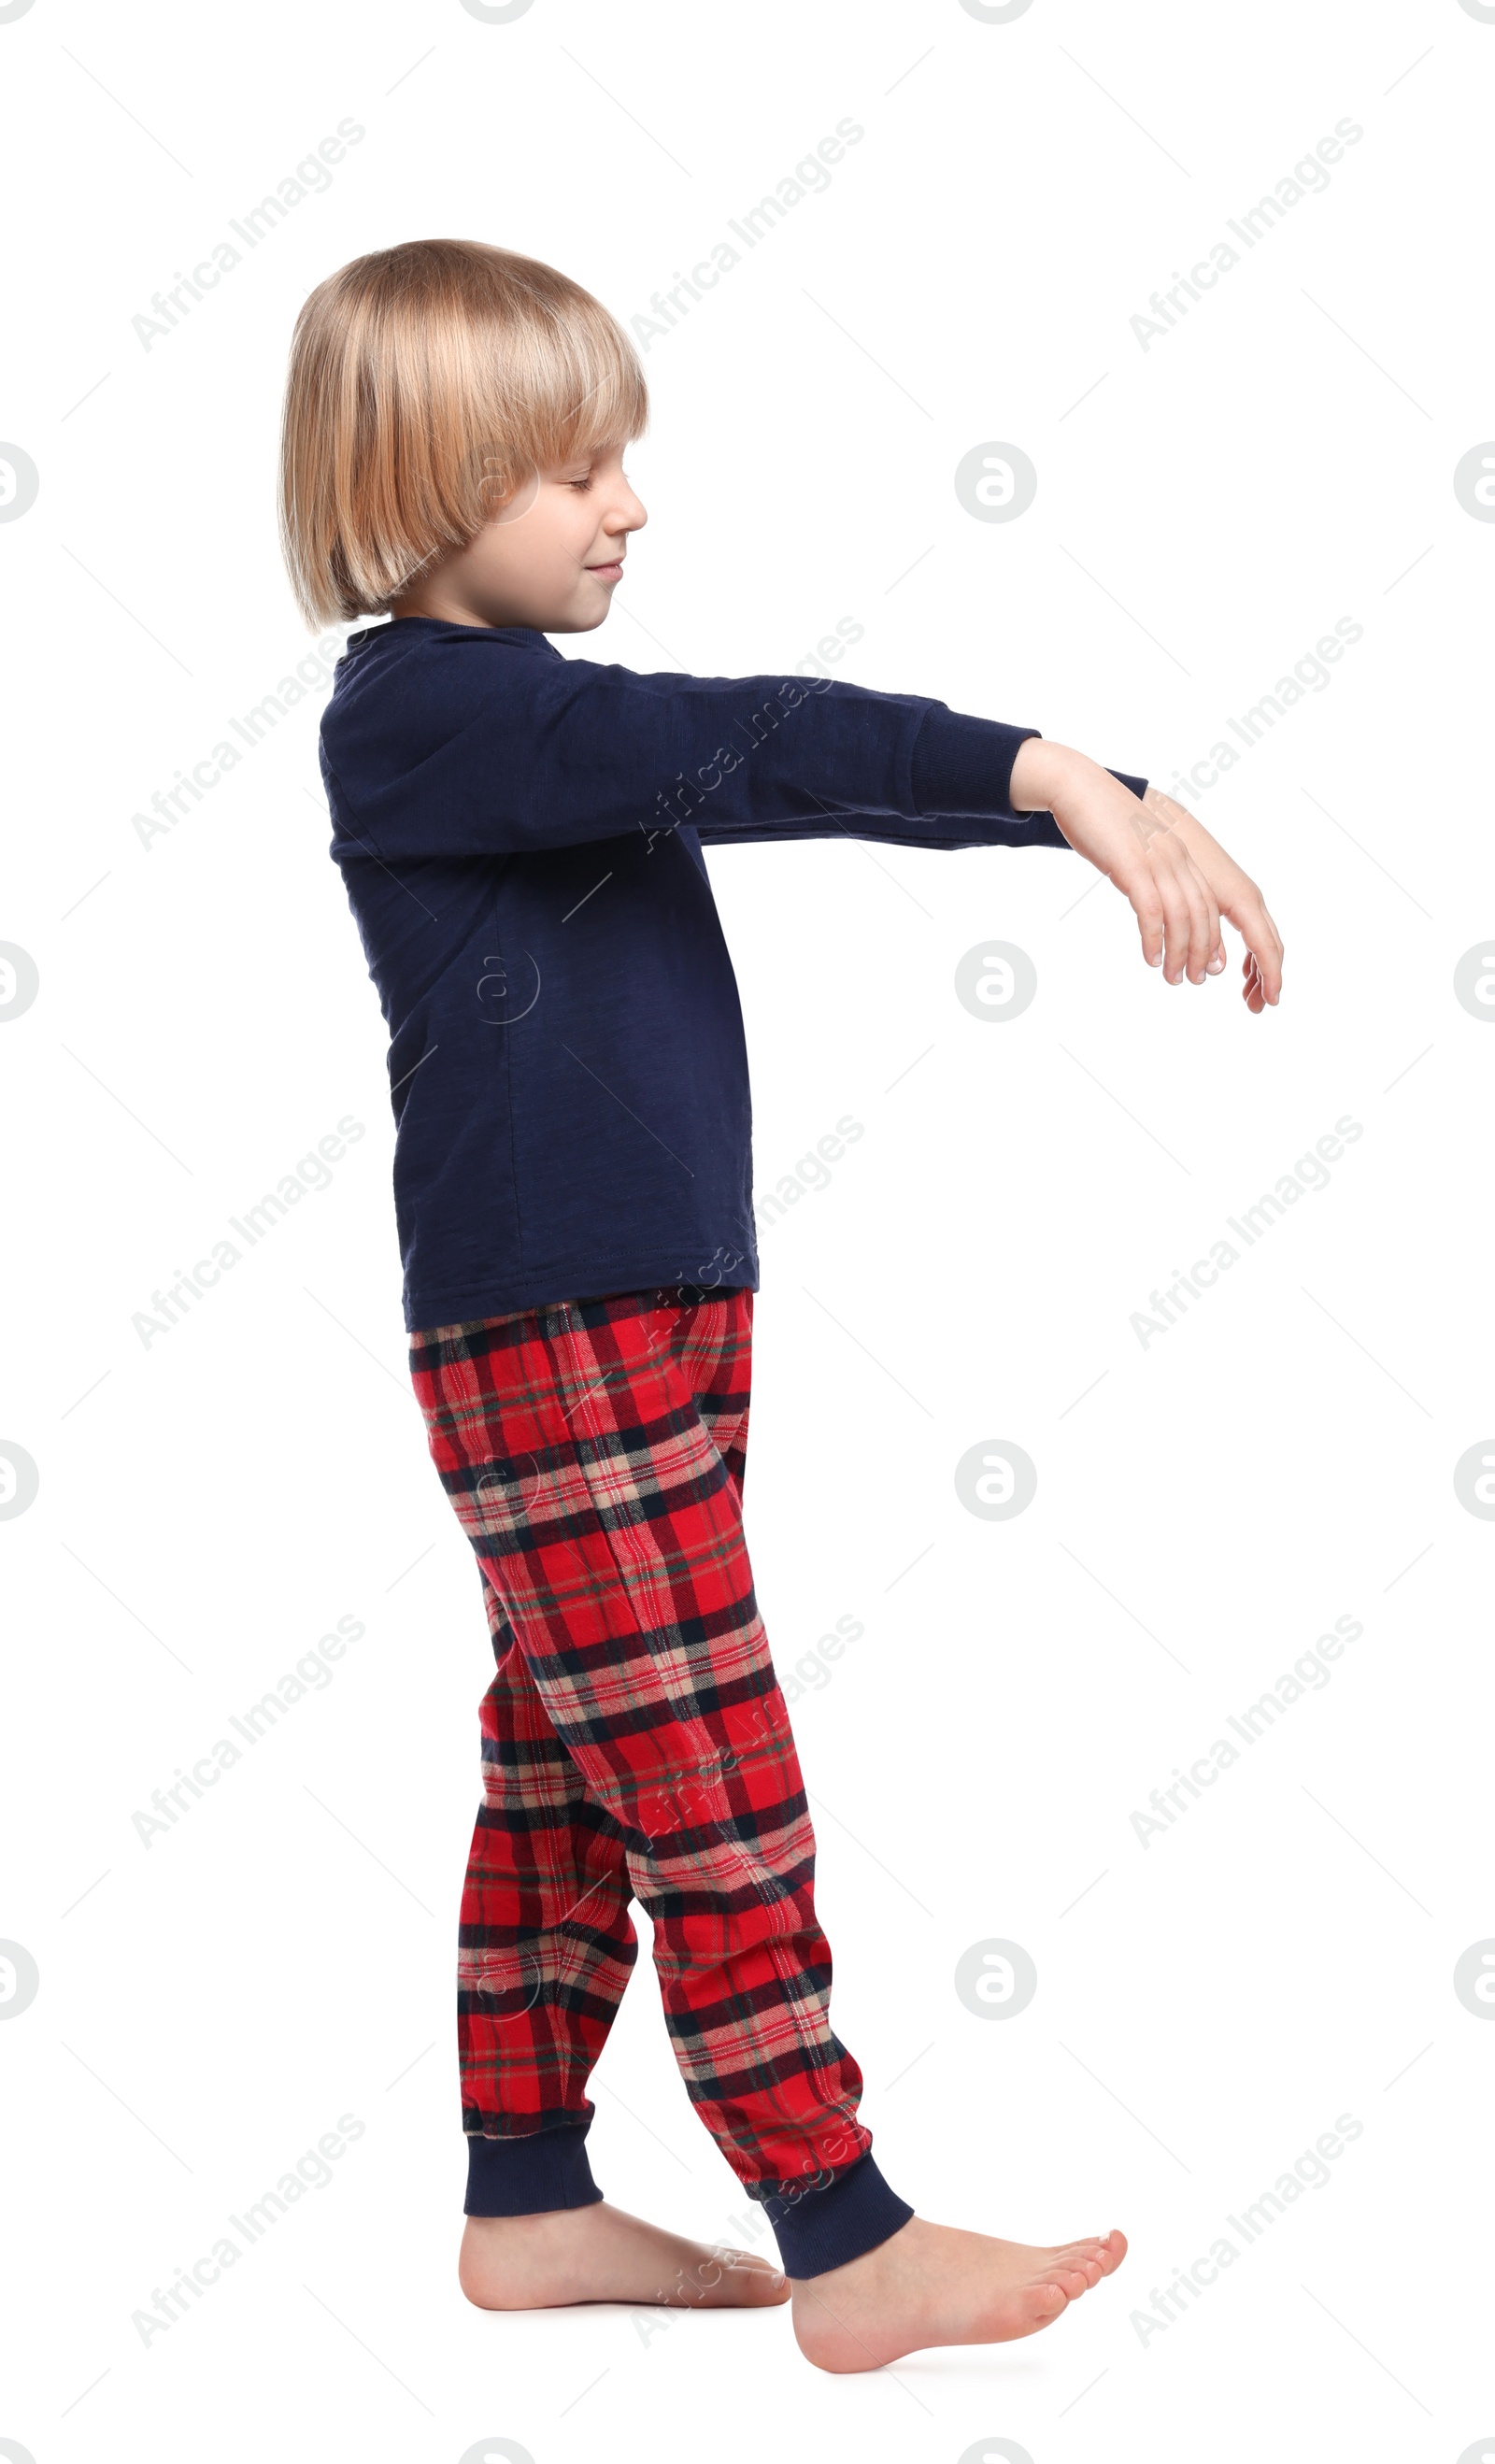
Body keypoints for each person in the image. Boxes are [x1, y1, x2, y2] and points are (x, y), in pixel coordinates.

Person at [279, 237, 1282, 2375]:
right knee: (712, 1769)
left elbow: (771, 769)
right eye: (570, 469)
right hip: (547, 1332)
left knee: (572, 1764)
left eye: (619, 456)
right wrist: (1043, 778)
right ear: (424, 484)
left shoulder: (513, 718)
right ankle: (839, 2229)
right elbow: (750, 746)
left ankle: (526, 2199)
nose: (625, 503)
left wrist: (1073, 787)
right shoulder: (439, 716)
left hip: (641, 1311)